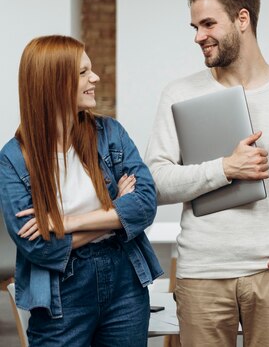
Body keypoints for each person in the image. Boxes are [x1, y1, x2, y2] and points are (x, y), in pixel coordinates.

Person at [144, 0, 269, 347]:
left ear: (243, 19)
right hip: (202, 273)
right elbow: (155, 182)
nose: (198, 36)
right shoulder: (179, 93)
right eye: (195, 26)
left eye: (208, 24)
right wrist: (226, 168)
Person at [0, 35, 163, 346]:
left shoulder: (110, 134)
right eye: (83, 72)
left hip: (124, 283)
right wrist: (114, 212)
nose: (95, 78)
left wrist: (63, 222)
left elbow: (144, 204)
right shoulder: (12, 159)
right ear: (53, 83)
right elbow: (38, 248)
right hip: (61, 291)